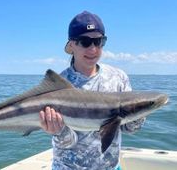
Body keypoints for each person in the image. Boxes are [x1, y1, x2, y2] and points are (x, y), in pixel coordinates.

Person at [39, 11, 145, 170]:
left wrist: (141, 111)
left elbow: (128, 128)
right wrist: (58, 131)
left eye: (98, 41)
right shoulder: (60, 85)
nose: (93, 49)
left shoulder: (118, 77)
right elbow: (66, 143)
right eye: (85, 41)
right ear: (72, 44)